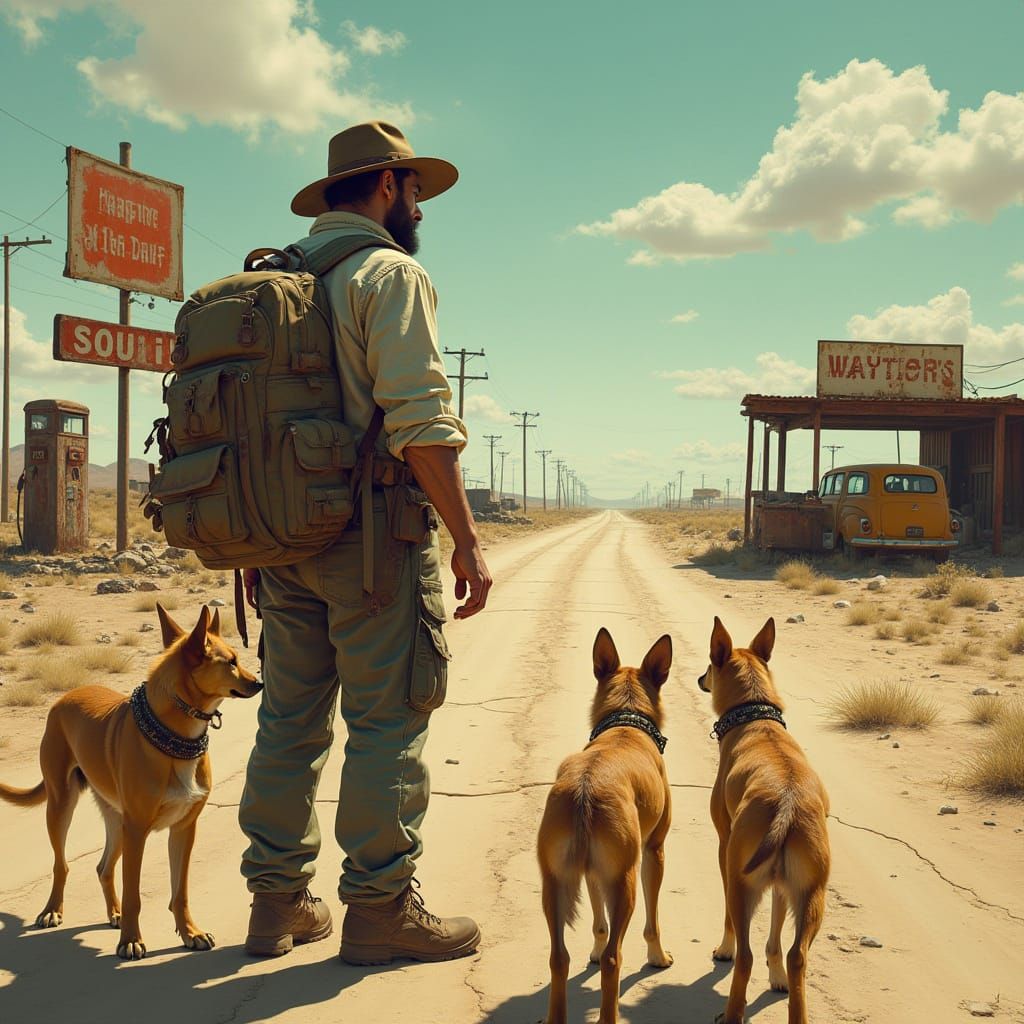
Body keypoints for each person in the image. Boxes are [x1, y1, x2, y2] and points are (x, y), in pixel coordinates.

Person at [238, 121, 493, 965]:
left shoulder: (277, 279)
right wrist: (466, 540)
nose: (420, 205)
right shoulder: (389, 273)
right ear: (388, 187)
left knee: (288, 721)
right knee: (387, 722)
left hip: (278, 544)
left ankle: (276, 906)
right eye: (415, 189)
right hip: (375, 543)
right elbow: (423, 424)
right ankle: (380, 909)